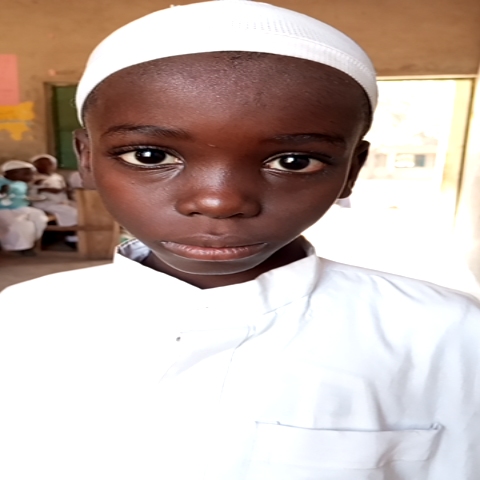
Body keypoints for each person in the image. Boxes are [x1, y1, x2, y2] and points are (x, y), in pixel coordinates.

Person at [0, 1, 479, 479]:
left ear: (351, 171)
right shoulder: (22, 318)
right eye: (149, 156)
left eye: (293, 162)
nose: (219, 201)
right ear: (86, 159)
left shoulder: (449, 335)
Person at [0, 160, 48, 255]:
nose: (31, 177)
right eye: (26, 174)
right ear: (11, 173)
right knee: (21, 224)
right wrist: (2, 192)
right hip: (4, 209)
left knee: (39, 217)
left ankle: (29, 241)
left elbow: (21, 196)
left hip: (21, 207)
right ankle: (21, 247)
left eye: (32, 174)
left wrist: (28, 198)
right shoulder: (1, 182)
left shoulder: (21, 183)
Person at [30, 154, 78, 245]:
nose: (48, 166)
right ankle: (70, 237)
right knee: (71, 212)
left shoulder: (57, 177)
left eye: (50, 164)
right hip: (44, 203)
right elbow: (39, 190)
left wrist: (68, 193)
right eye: (42, 164)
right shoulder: (35, 178)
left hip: (61, 201)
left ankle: (80, 235)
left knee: (80, 209)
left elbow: (64, 188)